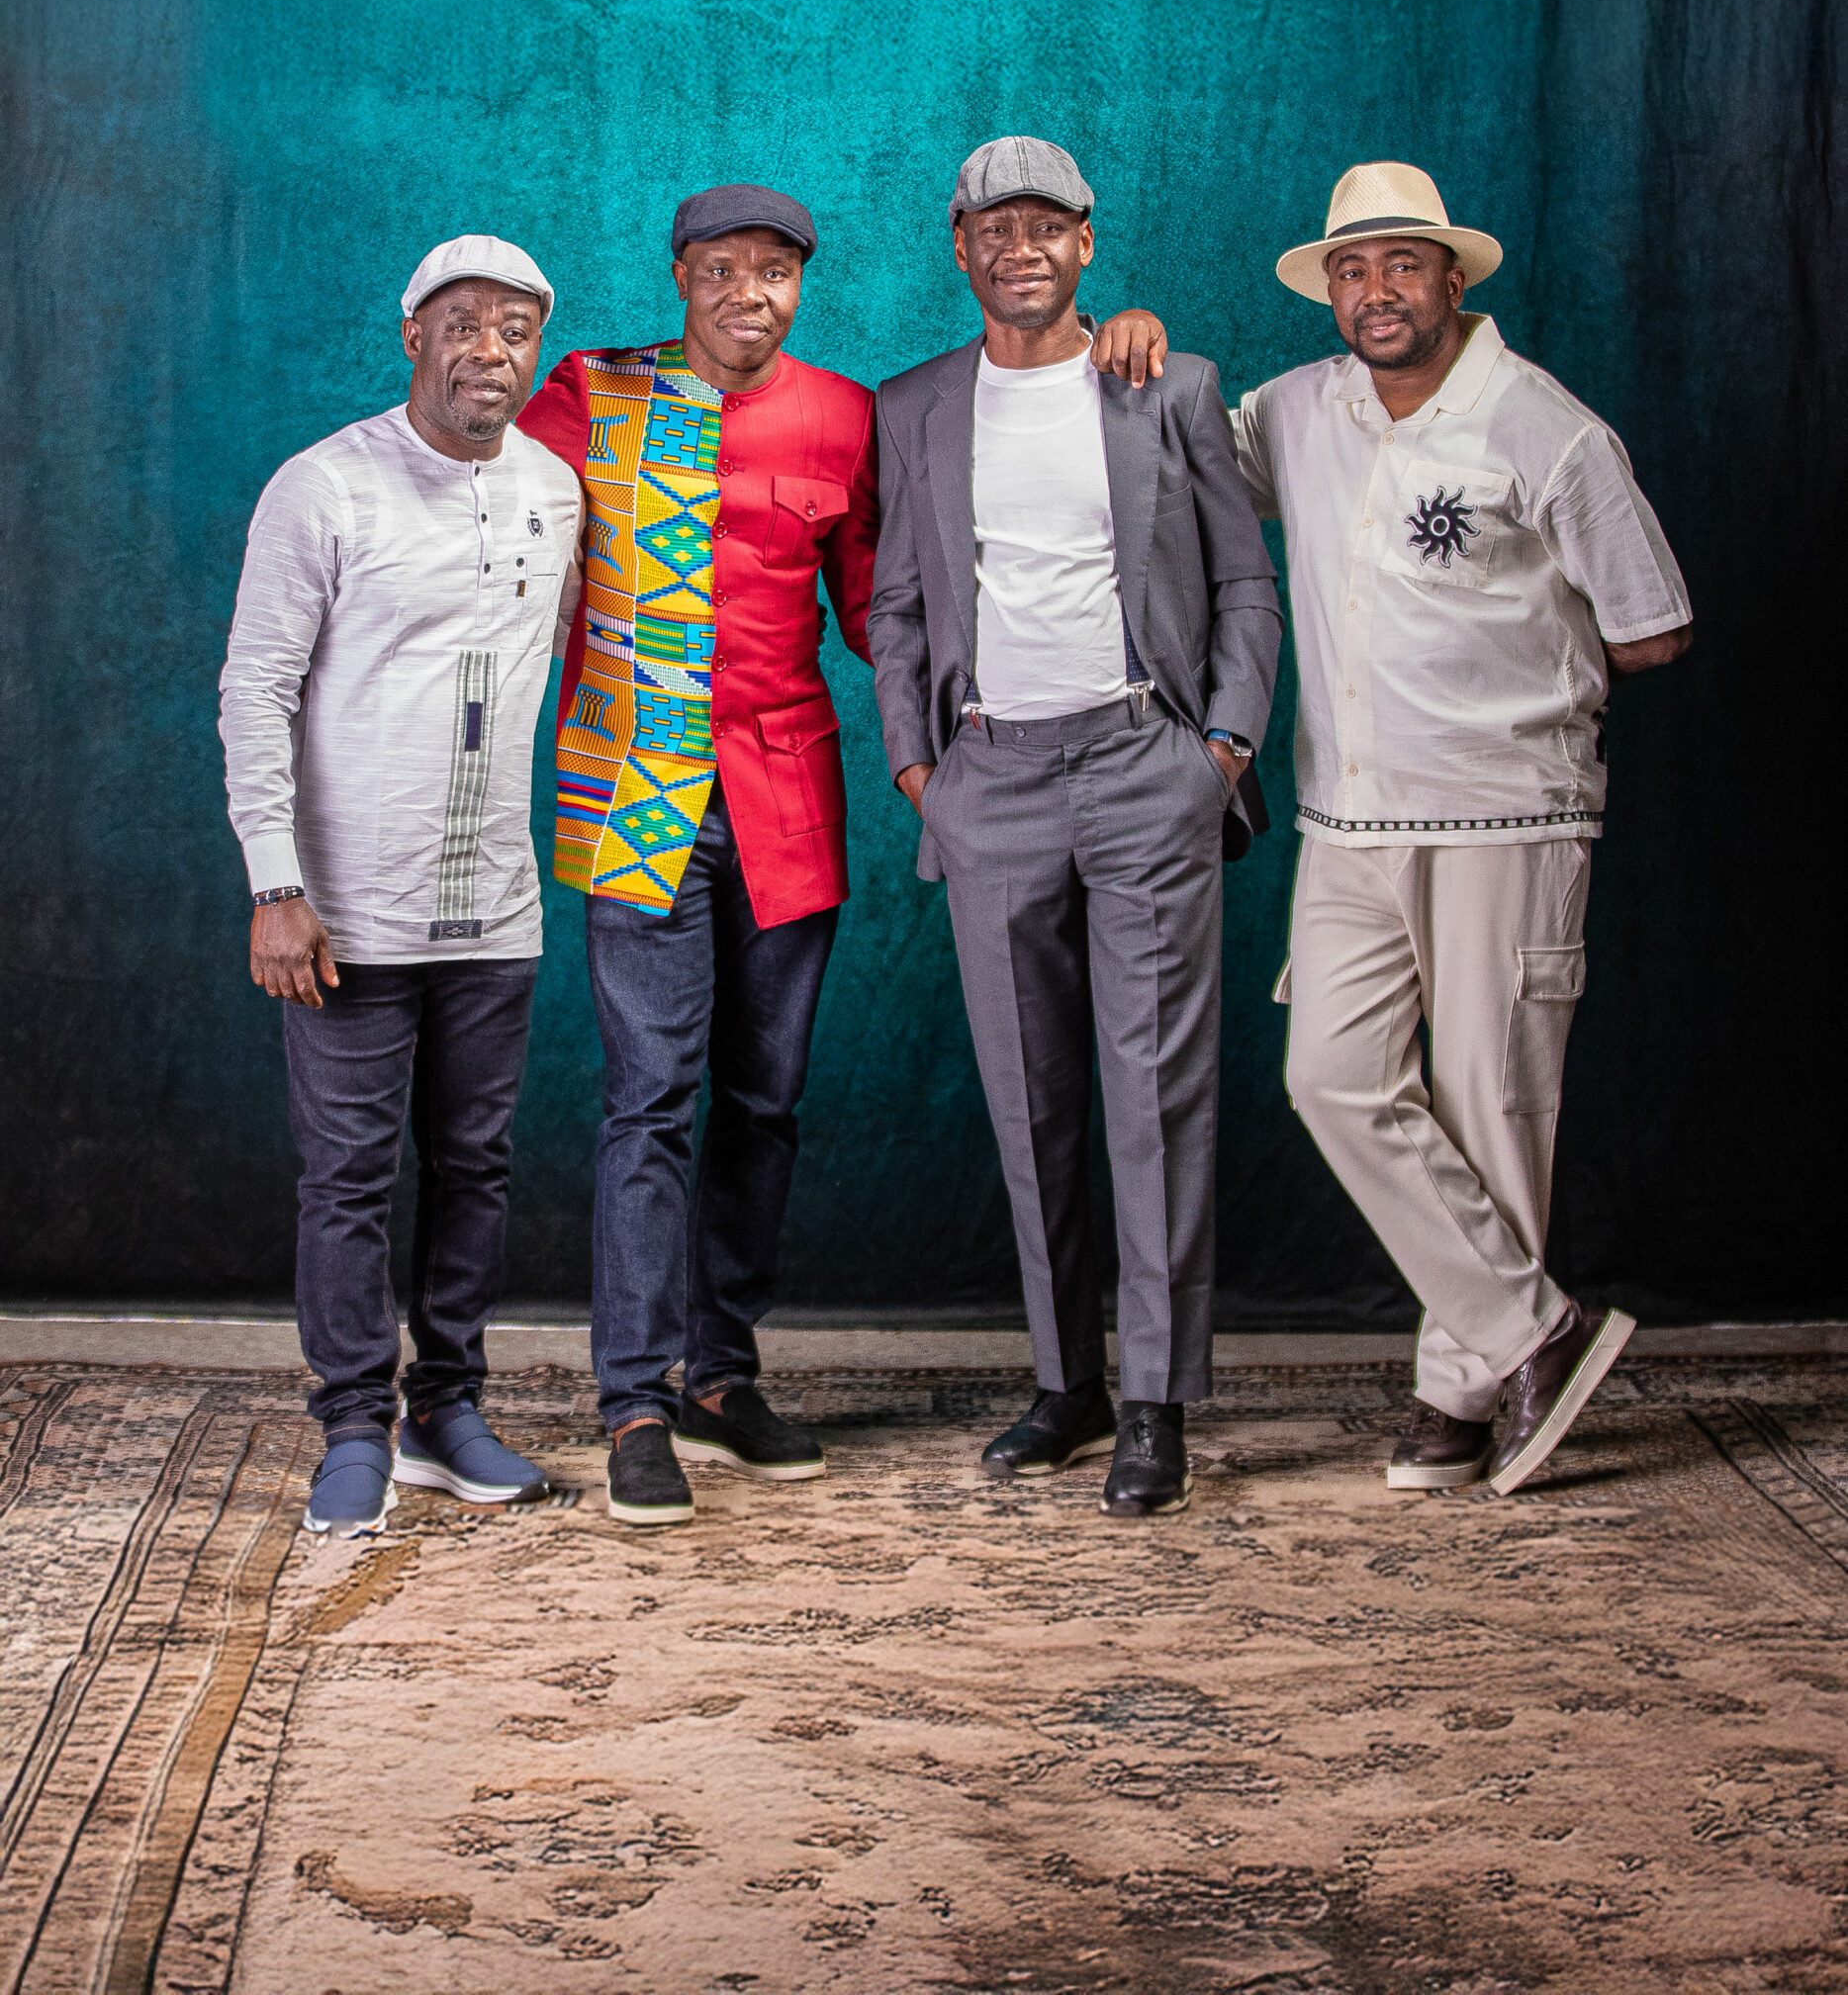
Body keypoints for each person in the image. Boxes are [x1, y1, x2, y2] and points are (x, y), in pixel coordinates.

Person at [518, 182, 1174, 1530]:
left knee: (764, 1102)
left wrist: (999, 711)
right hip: (636, 784)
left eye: (773, 271)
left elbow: (891, 606)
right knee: (651, 1098)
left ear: (800, 286)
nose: (747, 294)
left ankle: (721, 1374)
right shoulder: (593, 392)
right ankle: (633, 1401)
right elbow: (492, 521)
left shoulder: (844, 416)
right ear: (680, 276)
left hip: (785, 794)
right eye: (721, 269)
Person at [1234, 161, 1693, 1496]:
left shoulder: (1545, 428)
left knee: (1491, 1099)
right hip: (1346, 815)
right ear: (1330, 291)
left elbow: (1651, 625)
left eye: (1402, 264)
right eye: (1352, 270)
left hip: (1508, 814)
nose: (1376, 291)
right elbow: (1183, 461)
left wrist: (1518, 683)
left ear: (1451, 277)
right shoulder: (1297, 411)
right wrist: (1129, 343)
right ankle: (1534, 1328)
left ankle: (1460, 1394)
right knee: (1332, 1076)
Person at [868, 137, 1282, 1520]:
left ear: (1086, 243)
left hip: (1146, 764)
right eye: (994, 227)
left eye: (1046, 225)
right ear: (960, 245)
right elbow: (898, 605)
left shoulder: (1169, 385)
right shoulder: (915, 405)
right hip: (989, 778)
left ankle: (1155, 1401)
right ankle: (1069, 1383)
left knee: (1155, 1092)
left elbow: (1245, 585)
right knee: (1028, 1094)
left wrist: (1222, 751)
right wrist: (919, 769)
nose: (1020, 248)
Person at [220, 234, 583, 1537]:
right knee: (350, 1177)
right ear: (413, 335)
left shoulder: (554, 490)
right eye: (465, 324)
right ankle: (354, 1426)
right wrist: (275, 883)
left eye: (518, 330)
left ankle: (448, 1410)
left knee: (475, 1164)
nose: (492, 350)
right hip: (345, 914)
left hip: (494, 905)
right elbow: (255, 690)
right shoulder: (325, 486)